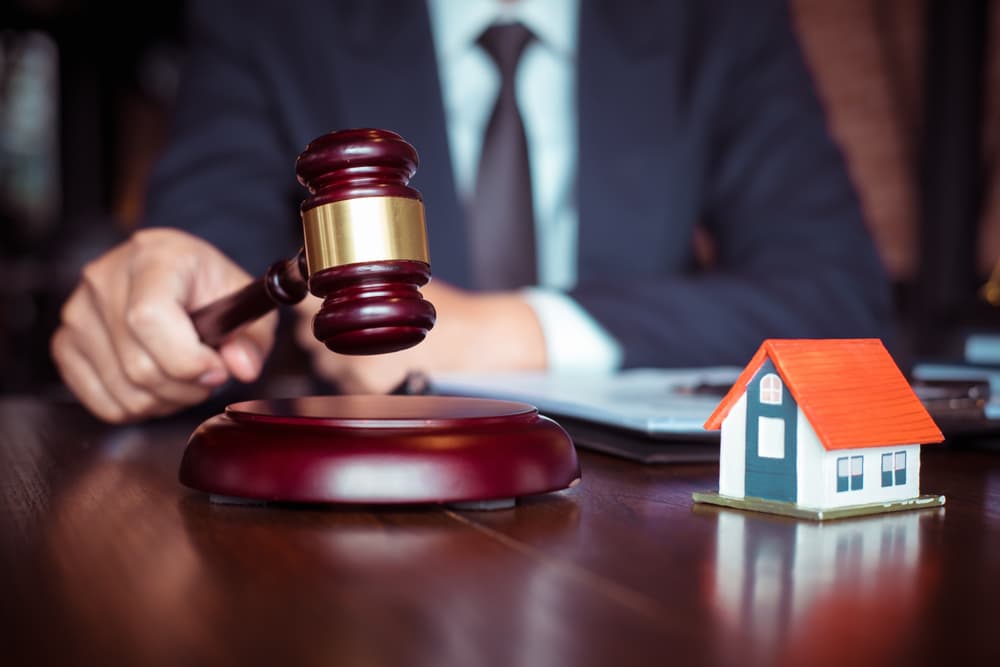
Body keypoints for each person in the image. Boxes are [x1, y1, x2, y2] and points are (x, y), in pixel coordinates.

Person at [50, 0, 891, 424]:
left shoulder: (719, 20)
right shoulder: (273, 18)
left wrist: (515, 330)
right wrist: (165, 285)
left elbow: (838, 295)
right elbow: (208, 247)